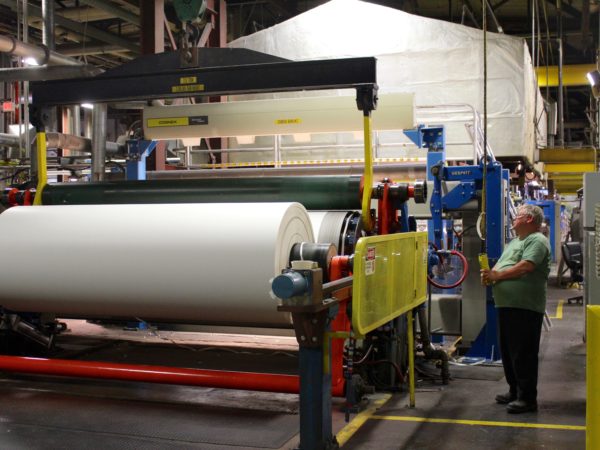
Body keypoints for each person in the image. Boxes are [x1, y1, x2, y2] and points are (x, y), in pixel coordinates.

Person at [481, 204, 551, 414]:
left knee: (524, 353)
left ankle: (528, 398)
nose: (513, 219)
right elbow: (503, 264)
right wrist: (490, 274)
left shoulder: (537, 240)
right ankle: (515, 390)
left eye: (517, 215)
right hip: (508, 305)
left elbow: (526, 266)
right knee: (509, 352)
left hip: (525, 307)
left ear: (529, 219)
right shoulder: (515, 242)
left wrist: (497, 276)